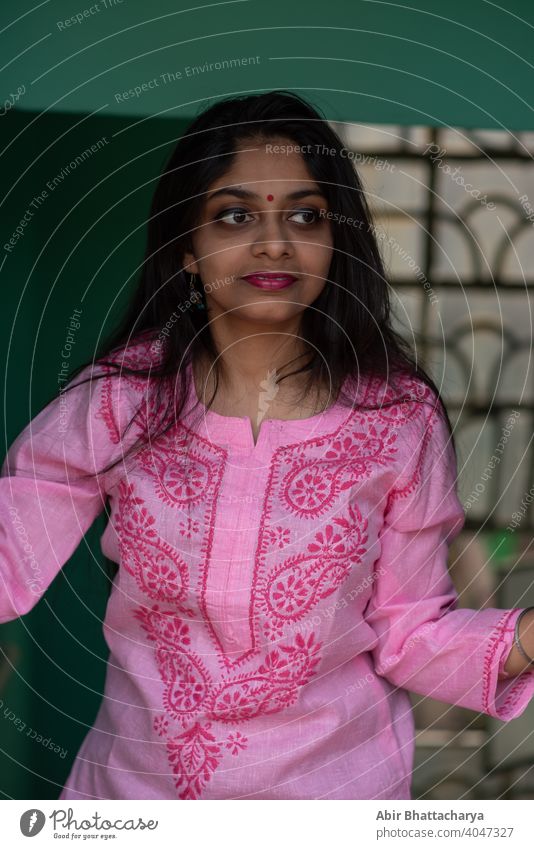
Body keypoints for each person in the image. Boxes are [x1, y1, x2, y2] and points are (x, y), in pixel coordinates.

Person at [1, 90, 534, 801]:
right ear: (187, 247)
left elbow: (410, 634)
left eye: (305, 216)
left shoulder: (397, 419)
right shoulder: (119, 402)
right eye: (236, 214)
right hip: (135, 801)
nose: (274, 241)